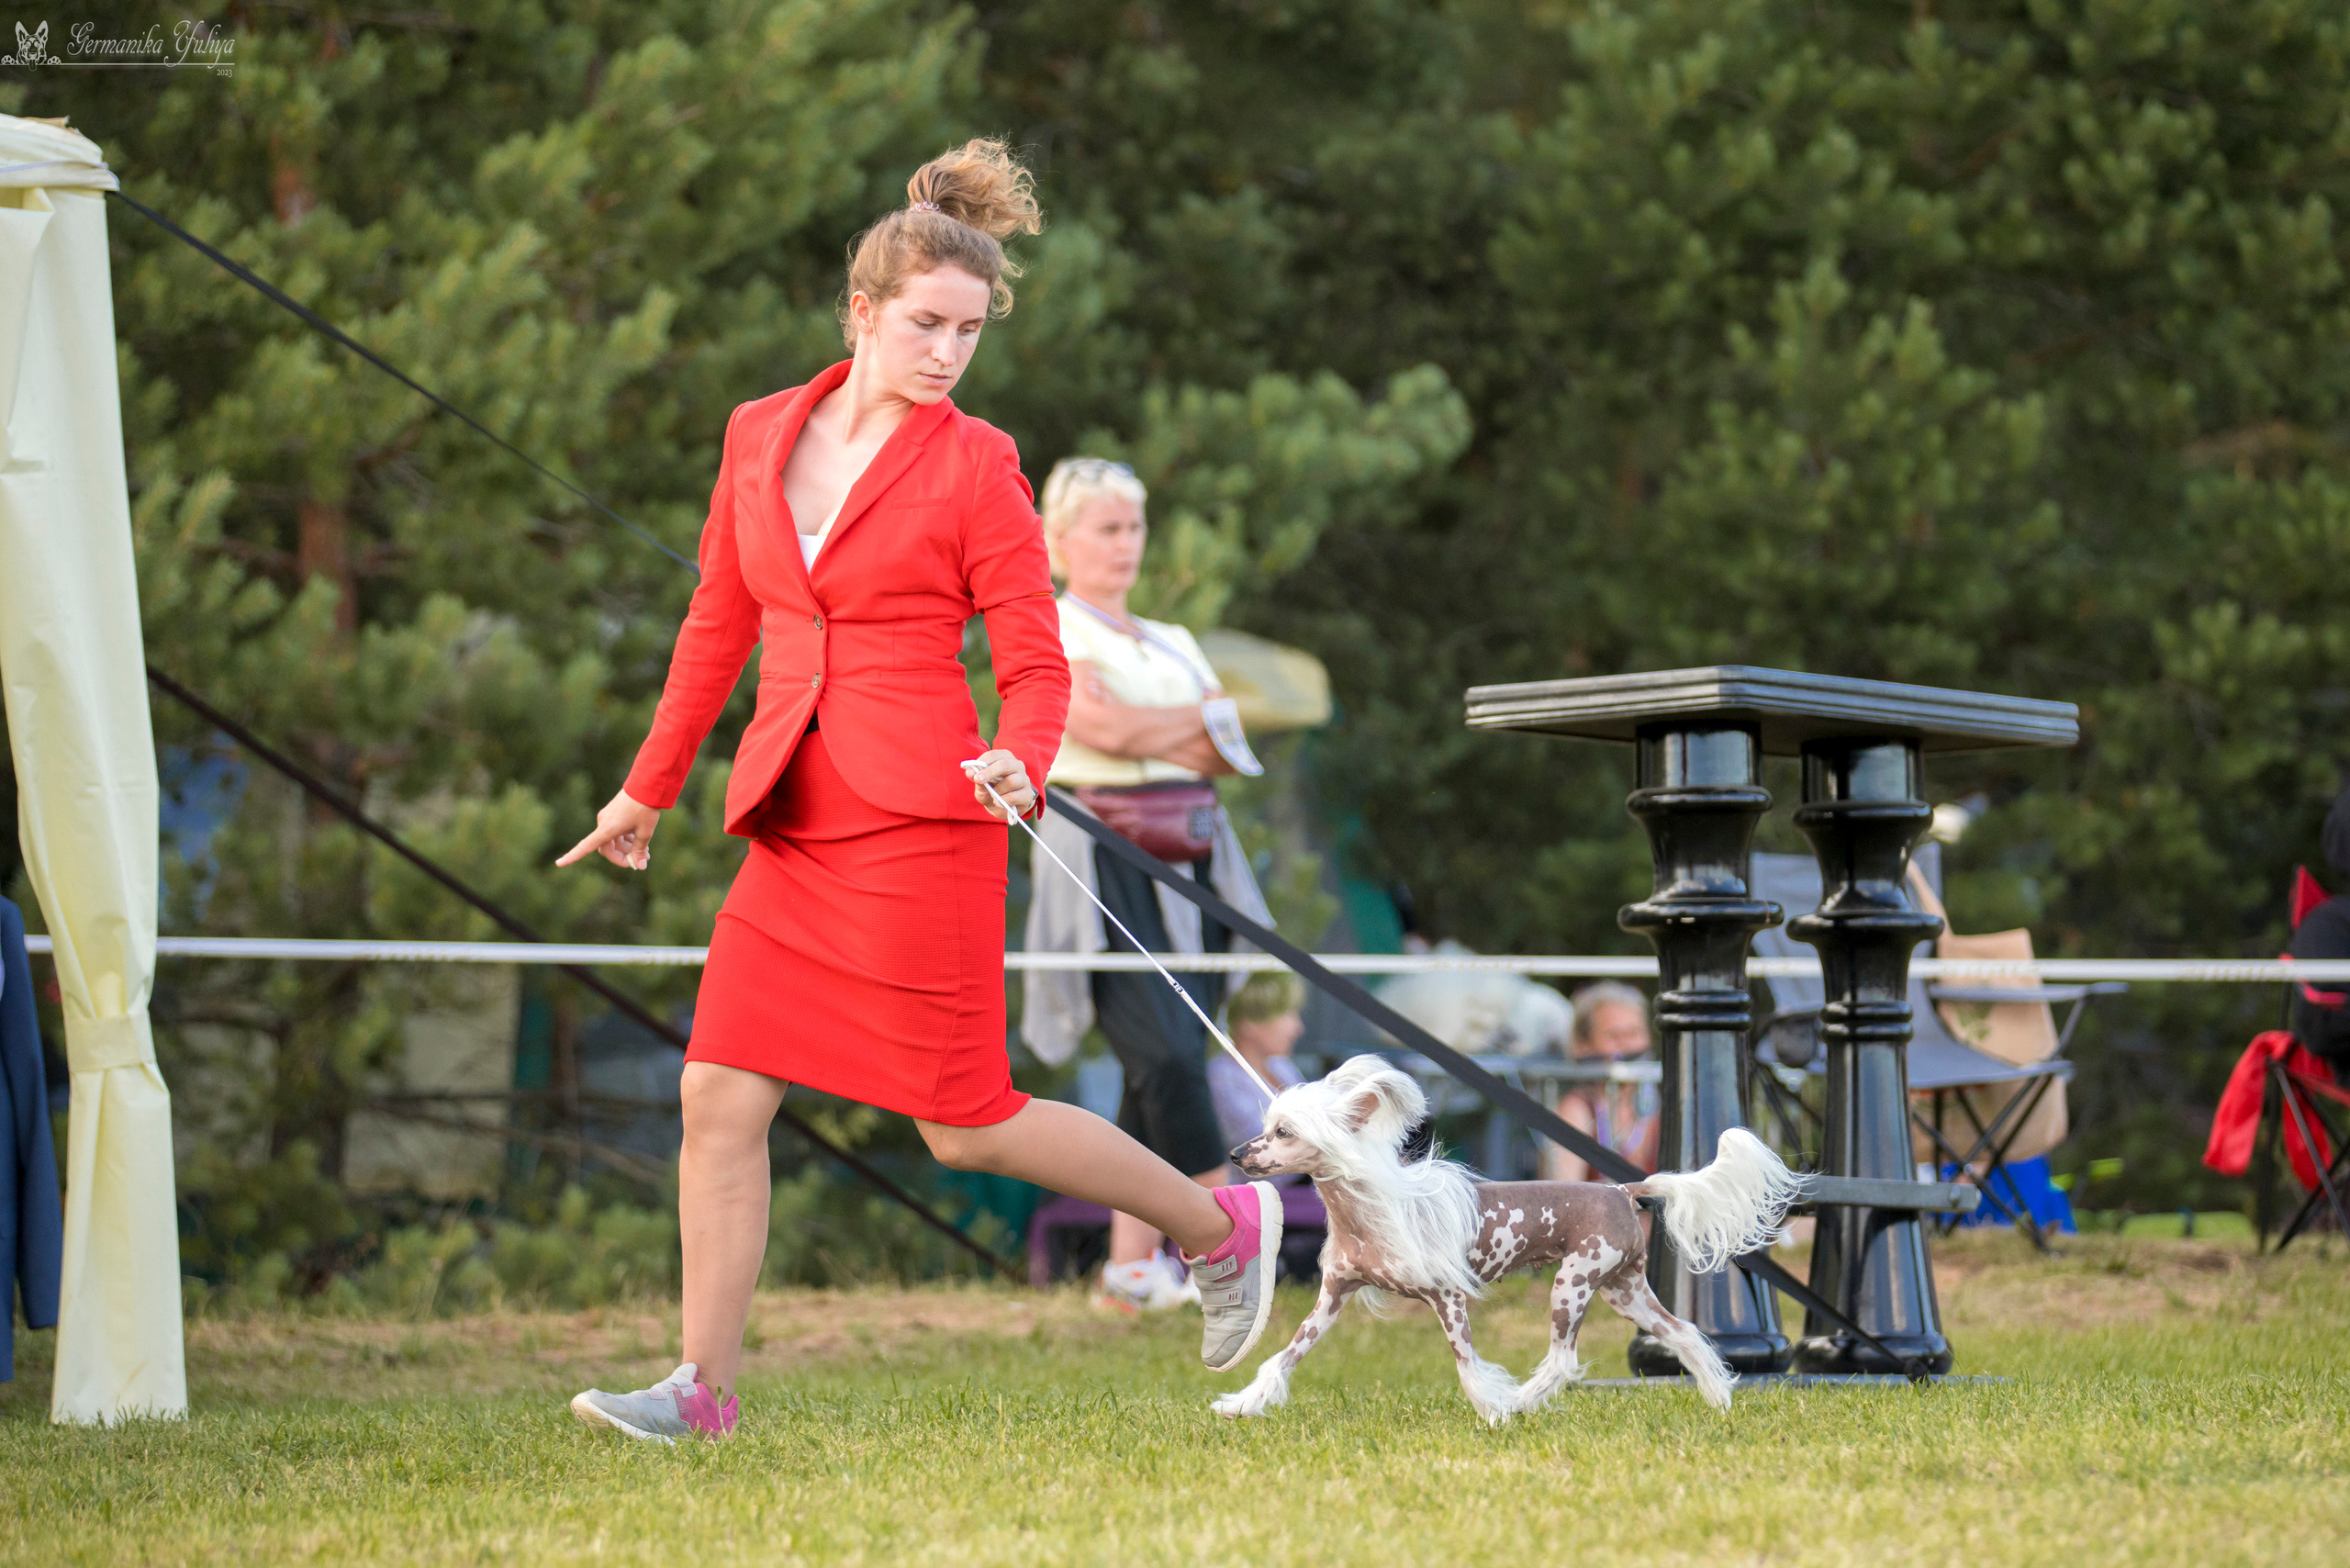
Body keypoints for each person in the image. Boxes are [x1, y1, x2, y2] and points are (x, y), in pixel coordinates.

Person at [554, 141, 1282, 1443]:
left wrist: (1027, 751)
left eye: (968, 331)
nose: (947, 353)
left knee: (967, 1127)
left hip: (926, 821)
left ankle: (1215, 1221)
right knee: (716, 1093)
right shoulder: (760, 433)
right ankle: (701, 1392)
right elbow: (719, 618)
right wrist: (644, 789)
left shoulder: (979, 465)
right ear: (862, 311)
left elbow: (1033, 651)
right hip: (791, 817)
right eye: (925, 326)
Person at [1020, 455, 1281, 1314]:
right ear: (1058, 540)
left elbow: (1224, 751)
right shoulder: (1054, 625)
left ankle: (1131, 1269)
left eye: (1133, 526)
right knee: (1162, 1049)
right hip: (1100, 846)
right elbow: (1088, 723)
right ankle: (1229, 1231)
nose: (1124, 544)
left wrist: (1148, 727)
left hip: (1193, 850)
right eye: (1105, 527)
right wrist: (1190, 721)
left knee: (1167, 1053)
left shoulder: (1174, 638)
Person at [1544, 980, 1661, 1183]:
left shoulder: (1662, 1103)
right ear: (1584, 1045)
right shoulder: (1577, 1110)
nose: (1627, 1045)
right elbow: (1565, 1199)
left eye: (1634, 1033)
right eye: (1613, 1036)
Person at [1208, 971, 1308, 1155]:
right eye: (1286, 1014)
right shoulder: (1221, 1078)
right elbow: (1268, 1145)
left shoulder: (1282, 1066)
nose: (1298, 1028)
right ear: (1249, 1023)